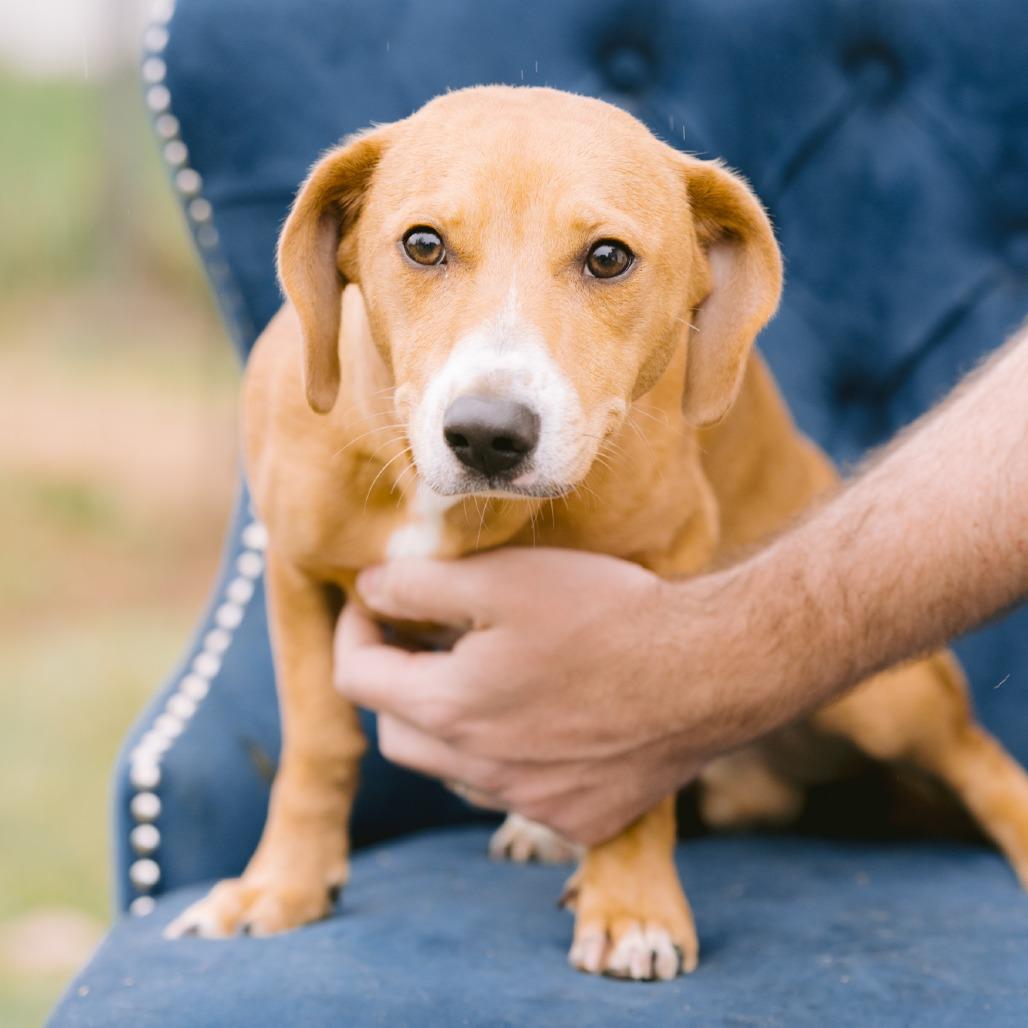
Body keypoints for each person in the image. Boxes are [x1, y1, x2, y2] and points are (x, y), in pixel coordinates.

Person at [335, 325, 1028, 845]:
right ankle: (739, 790)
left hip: (805, 677)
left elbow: (675, 537)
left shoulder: (645, 392)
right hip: (717, 776)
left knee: (892, 715)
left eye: (605, 261)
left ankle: (997, 793)